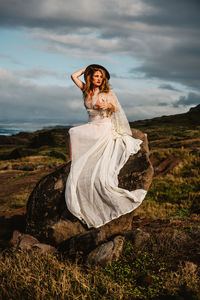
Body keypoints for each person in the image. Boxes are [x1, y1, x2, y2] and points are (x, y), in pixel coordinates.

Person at [65, 64, 147, 228]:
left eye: (101, 77)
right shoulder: (86, 91)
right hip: (92, 124)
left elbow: (116, 108)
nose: (99, 79)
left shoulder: (107, 93)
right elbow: (73, 76)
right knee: (72, 132)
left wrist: (107, 106)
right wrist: (86, 69)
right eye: (96, 76)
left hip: (104, 125)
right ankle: (72, 158)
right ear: (90, 77)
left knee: (75, 133)